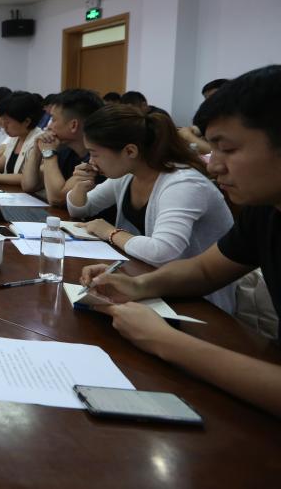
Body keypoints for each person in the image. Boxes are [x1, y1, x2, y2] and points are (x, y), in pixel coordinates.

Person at [79, 65, 281, 417]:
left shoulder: (186, 182)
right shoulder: (265, 210)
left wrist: (167, 342)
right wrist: (137, 285)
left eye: (228, 149)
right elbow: (205, 270)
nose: (214, 166)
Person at [67, 104, 235, 311]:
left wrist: (109, 232)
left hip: (198, 301)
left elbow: (162, 252)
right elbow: (80, 210)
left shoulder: (183, 184)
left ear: (130, 151)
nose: (91, 161)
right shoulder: (129, 175)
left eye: (94, 153)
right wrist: (80, 185)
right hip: (148, 282)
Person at [30, 88, 104, 206]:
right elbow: (29, 185)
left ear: (73, 125)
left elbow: (56, 199)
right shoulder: (65, 150)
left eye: (53, 119)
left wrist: (48, 153)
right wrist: (36, 150)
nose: (49, 126)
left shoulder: (97, 158)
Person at [179, 79, 230, 153]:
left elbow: (218, 153)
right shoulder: (208, 117)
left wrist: (188, 136)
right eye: (206, 98)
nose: (208, 103)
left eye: (213, 97)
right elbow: (197, 129)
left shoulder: (236, 120)